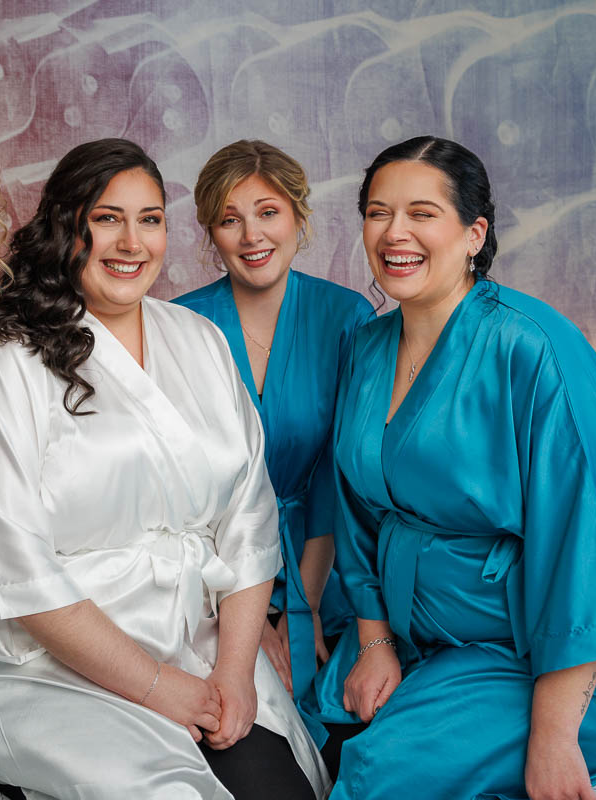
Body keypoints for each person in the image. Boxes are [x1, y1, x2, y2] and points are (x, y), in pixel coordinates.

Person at [0, 138, 329, 799]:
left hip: (202, 645)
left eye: (150, 218)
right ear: (66, 226)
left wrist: (231, 672)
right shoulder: (6, 356)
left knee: (281, 789)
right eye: (107, 217)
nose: (131, 242)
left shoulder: (198, 340)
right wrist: (165, 691)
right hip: (52, 667)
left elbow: (249, 524)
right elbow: (19, 571)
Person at [302, 135, 596, 799]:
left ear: (473, 232)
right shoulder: (368, 347)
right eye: (378, 212)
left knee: (376, 771)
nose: (395, 232)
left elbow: (585, 544)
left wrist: (552, 738)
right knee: (316, 722)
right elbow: (355, 507)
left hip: (536, 656)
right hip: (415, 632)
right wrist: (374, 640)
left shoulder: (535, 349)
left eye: (422, 213)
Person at [174, 140, 373, 707]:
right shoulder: (181, 323)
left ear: (298, 217)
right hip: (217, 582)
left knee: (346, 715)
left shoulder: (348, 317)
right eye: (229, 220)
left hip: (329, 567)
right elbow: (187, 492)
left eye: (268, 212)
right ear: (212, 232)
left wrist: (302, 609)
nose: (251, 235)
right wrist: (249, 617)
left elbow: (343, 476)